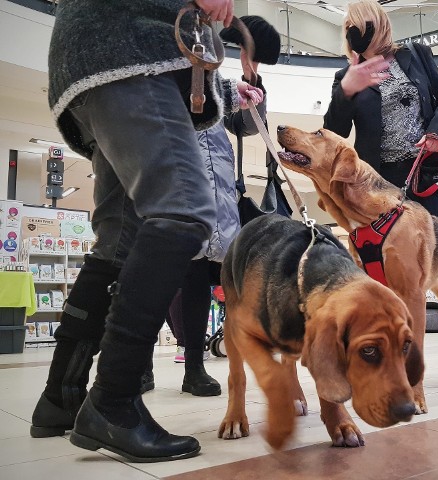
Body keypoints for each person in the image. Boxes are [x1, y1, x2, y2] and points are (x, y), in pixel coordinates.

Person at [32, 0, 264, 463]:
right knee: (184, 214)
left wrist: (225, 88)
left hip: (94, 60)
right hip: (131, 52)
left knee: (119, 242)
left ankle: (60, 396)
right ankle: (114, 403)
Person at [323, 0, 438, 388]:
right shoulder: (346, 75)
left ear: (381, 25)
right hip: (381, 188)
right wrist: (345, 90)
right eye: (352, 28)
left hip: (427, 174)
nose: (360, 33)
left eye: (366, 24)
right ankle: (381, 358)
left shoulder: (415, 56)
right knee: (377, 269)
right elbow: (334, 133)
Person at [159, 14, 280, 397]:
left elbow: (246, 126)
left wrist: (252, 77)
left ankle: (206, 362)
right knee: (178, 280)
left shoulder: (219, 83)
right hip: (180, 186)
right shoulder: (173, 67)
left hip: (222, 196)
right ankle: (188, 363)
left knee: (221, 281)